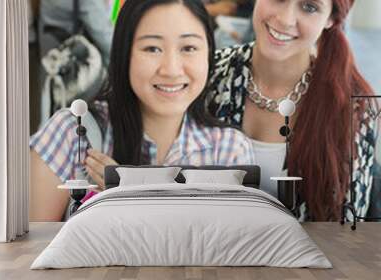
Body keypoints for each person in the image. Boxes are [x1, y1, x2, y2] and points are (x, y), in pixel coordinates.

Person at [29, 0, 255, 222]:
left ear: (209, 55)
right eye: (152, 48)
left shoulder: (229, 151)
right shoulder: (72, 133)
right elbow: (30, 251)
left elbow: (229, 252)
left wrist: (129, 192)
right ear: (124, 54)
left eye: (188, 48)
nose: (171, 70)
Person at [206, 0, 377, 221]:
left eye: (309, 7)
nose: (285, 19)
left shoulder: (352, 107)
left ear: (331, 19)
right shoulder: (207, 75)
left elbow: (346, 232)